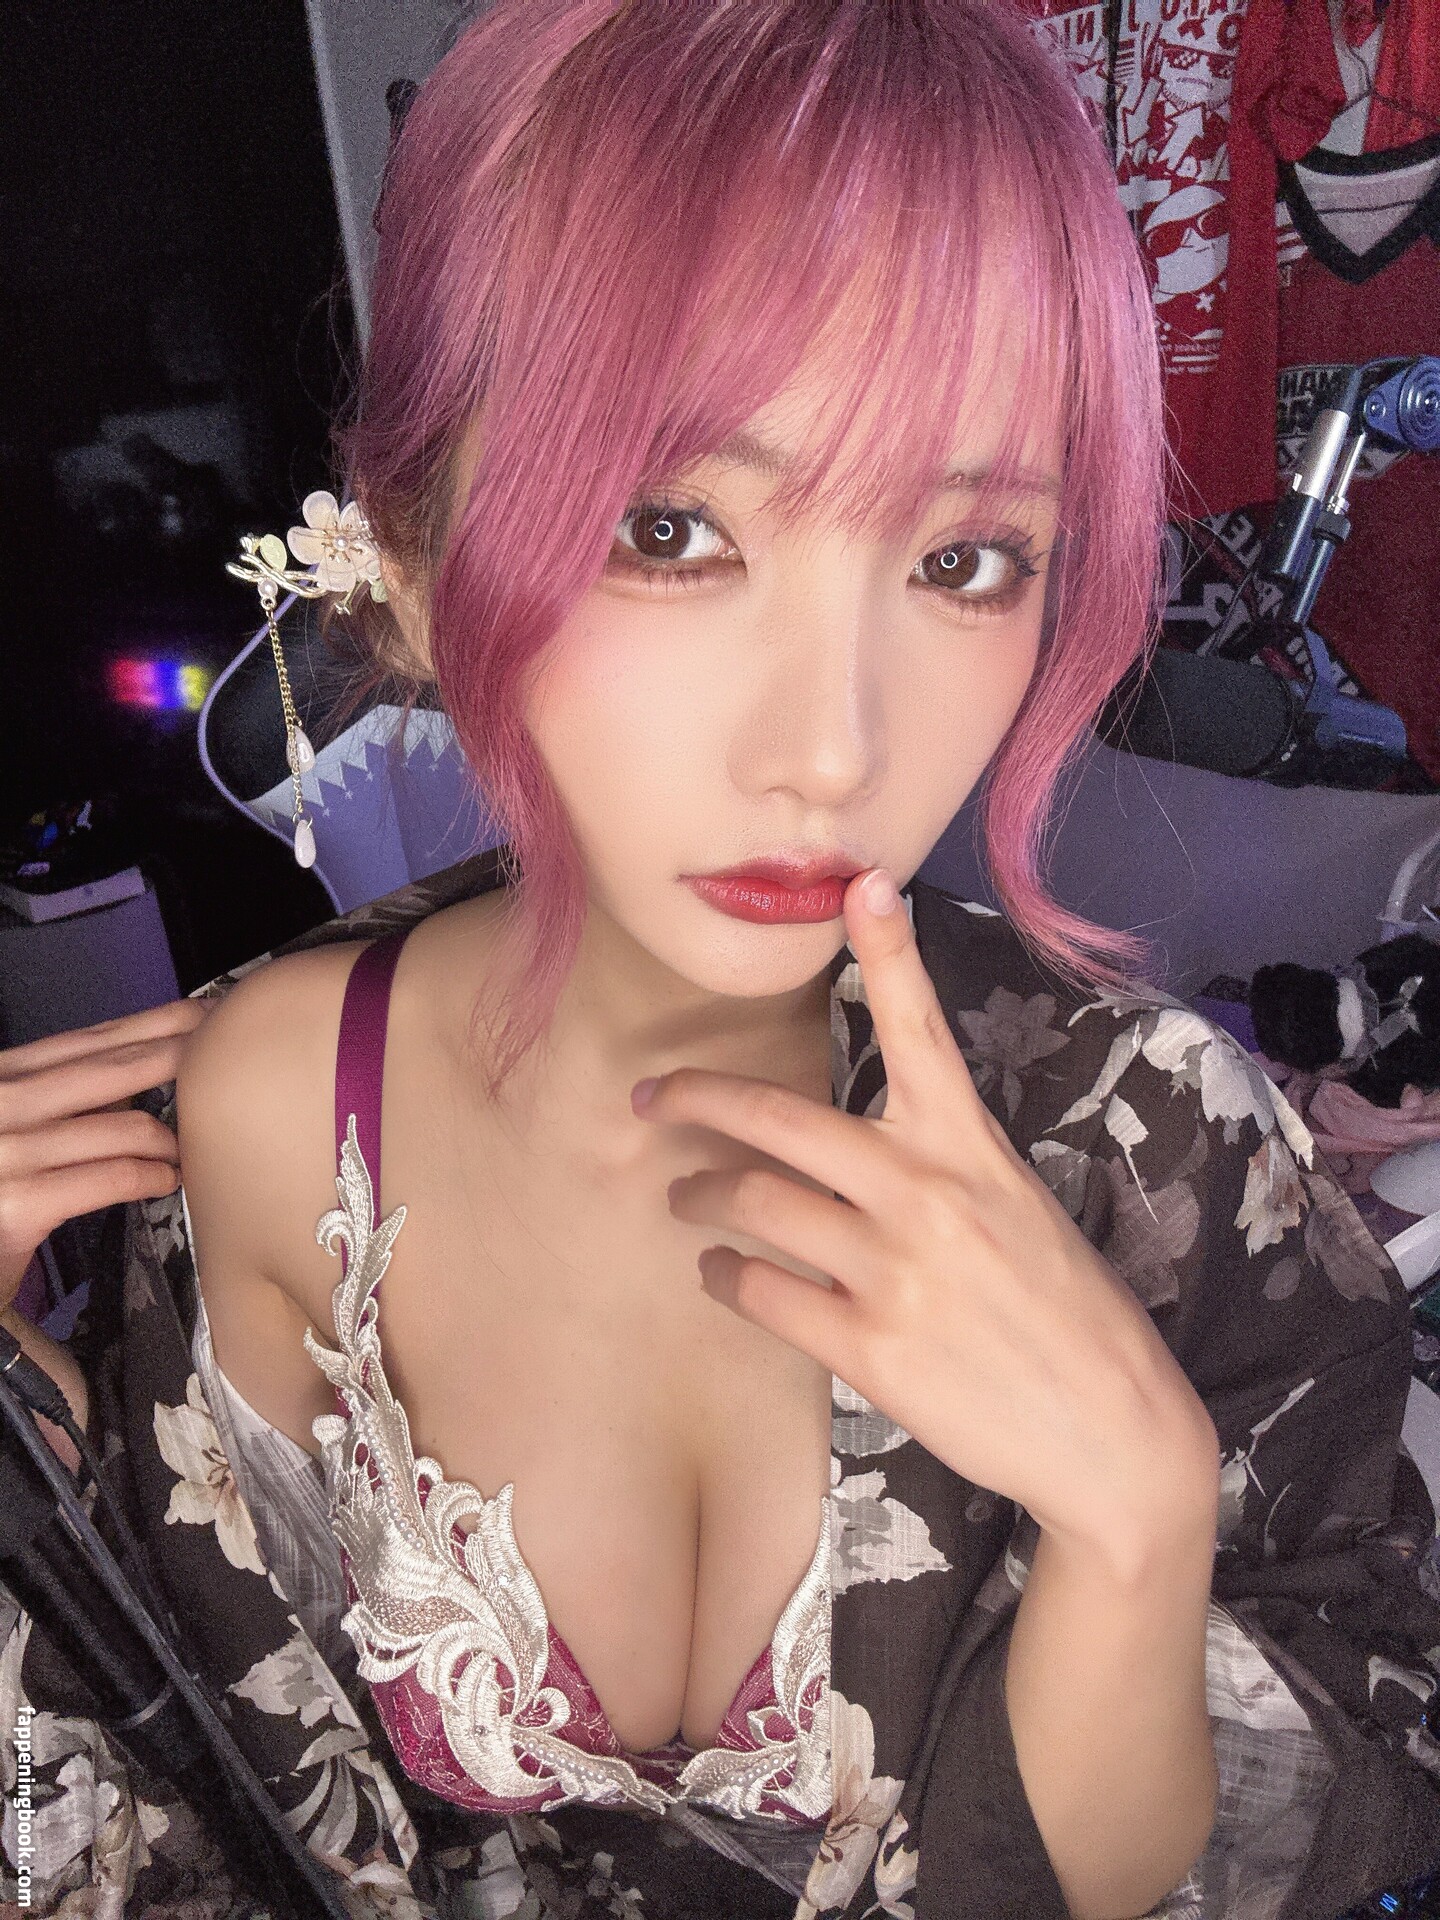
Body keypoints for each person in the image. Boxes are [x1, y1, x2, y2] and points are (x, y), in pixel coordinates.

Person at [4, 3, 1440, 1916]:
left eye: (964, 560)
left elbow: (1308, 1784)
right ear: (415, 562)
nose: (834, 749)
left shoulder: (1163, 1144)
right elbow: (188, 1811)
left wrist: (1138, 1526)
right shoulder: (274, 1109)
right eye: (669, 528)